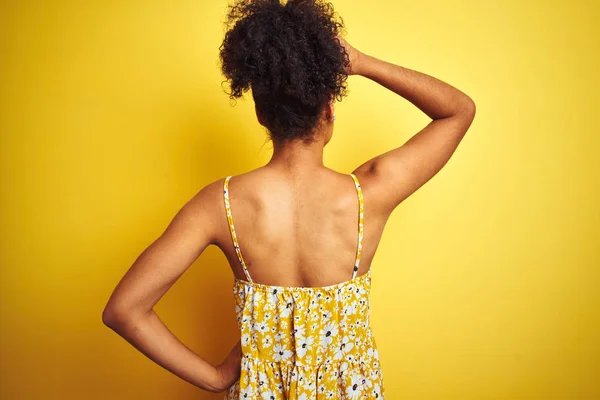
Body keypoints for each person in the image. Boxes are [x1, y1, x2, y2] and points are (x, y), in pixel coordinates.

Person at [102, 0, 476, 398]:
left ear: (262, 114)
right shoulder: (371, 192)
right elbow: (458, 111)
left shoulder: (219, 205)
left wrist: (214, 378)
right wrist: (363, 62)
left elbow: (124, 310)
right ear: (329, 108)